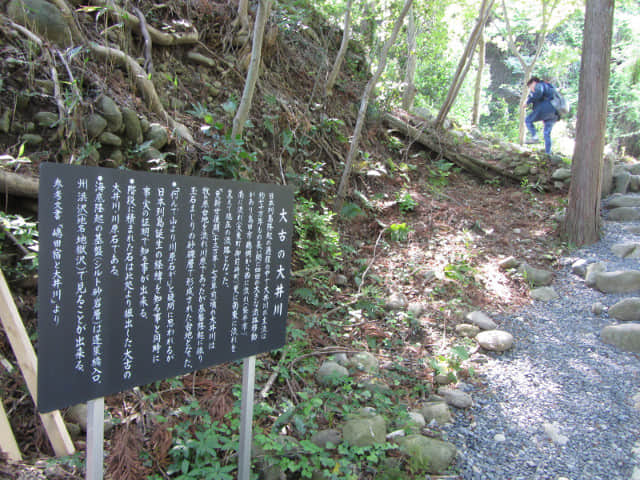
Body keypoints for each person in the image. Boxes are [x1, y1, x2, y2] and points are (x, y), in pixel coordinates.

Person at [524, 76, 559, 155]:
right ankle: (548, 153)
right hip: (555, 112)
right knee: (547, 133)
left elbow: (539, 93)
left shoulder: (539, 85)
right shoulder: (550, 86)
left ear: (533, 82)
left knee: (528, 120)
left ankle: (535, 137)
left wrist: (528, 102)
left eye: (530, 87)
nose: (531, 89)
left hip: (546, 108)